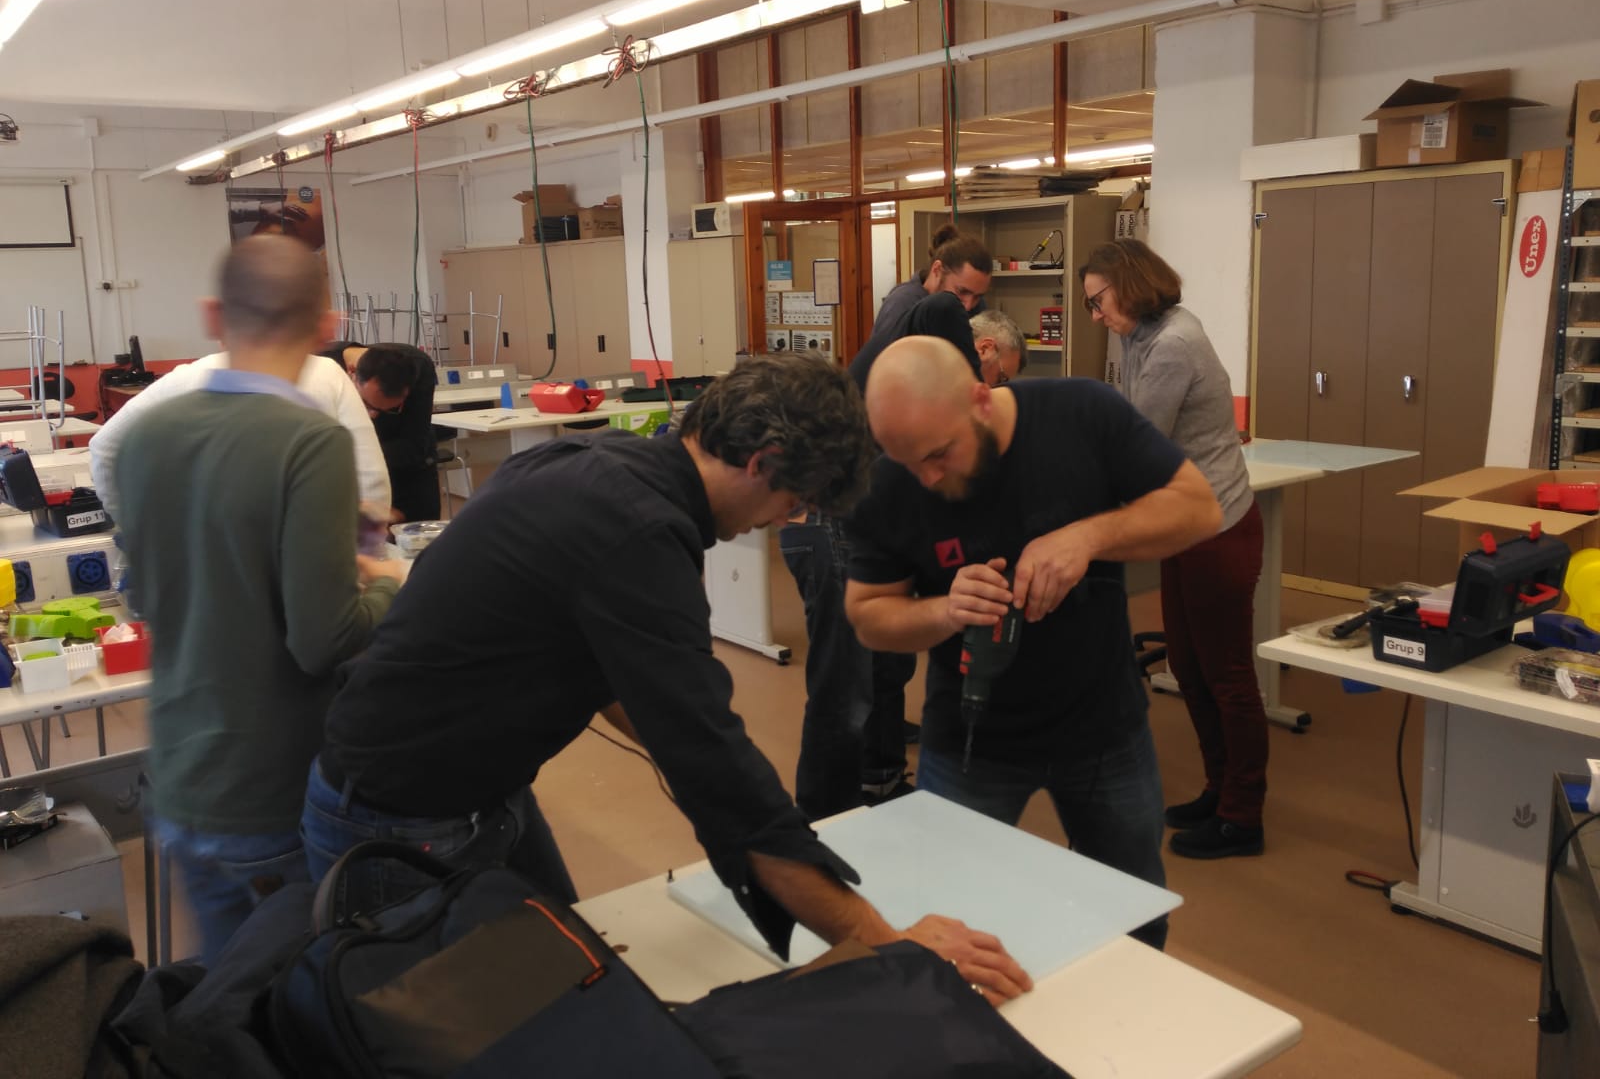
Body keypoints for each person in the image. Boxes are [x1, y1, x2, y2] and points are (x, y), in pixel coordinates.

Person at [301, 353, 1032, 1003]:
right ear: (764, 461)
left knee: (568, 980)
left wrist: (690, 739)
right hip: (403, 817)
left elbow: (626, 684)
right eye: (794, 502)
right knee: (464, 1035)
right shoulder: (638, 532)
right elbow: (720, 776)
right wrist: (890, 943)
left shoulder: (601, 463)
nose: (782, 520)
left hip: (475, 791)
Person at [843, 337, 1221, 949]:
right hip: (970, 743)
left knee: (1135, 915)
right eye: (907, 462)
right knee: (948, 920)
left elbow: (1199, 510)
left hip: (1103, 730)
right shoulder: (888, 482)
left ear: (980, 400)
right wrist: (945, 610)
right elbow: (867, 617)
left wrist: (1086, 538)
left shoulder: (1083, 414)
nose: (927, 477)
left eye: (938, 454)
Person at [113, 238, 406, 966]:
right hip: (269, 788)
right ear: (327, 329)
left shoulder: (146, 434)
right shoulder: (311, 440)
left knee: (226, 991)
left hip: (181, 773)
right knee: (298, 992)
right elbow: (323, 639)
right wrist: (387, 585)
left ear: (213, 316)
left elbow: (150, 591)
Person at [780, 293, 1024, 819]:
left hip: (839, 518)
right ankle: (825, 818)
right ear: (982, 352)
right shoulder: (934, 325)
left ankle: (881, 780)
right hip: (828, 524)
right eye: (1001, 376)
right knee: (844, 686)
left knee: (885, 667)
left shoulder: (906, 352)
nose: (996, 391)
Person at [1081, 241, 1266, 859]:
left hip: (1218, 525)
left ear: (1129, 285)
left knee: (1227, 675)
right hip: (1186, 524)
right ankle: (1219, 788)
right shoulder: (1139, 334)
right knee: (1187, 664)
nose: (1096, 316)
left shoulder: (1172, 343)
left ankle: (1243, 816)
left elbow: (1137, 440)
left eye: (1098, 301)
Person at [90, 351, 392, 529]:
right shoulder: (326, 374)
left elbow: (105, 447)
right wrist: (365, 559)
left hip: (207, 567)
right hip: (308, 558)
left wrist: (133, 529)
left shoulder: (188, 378)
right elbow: (371, 481)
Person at [319, 340, 440, 522]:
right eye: (366, 404)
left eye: (392, 409)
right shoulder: (323, 368)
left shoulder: (417, 366)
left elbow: (414, 444)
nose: (373, 415)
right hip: (350, 477)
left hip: (409, 468)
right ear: (351, 372)